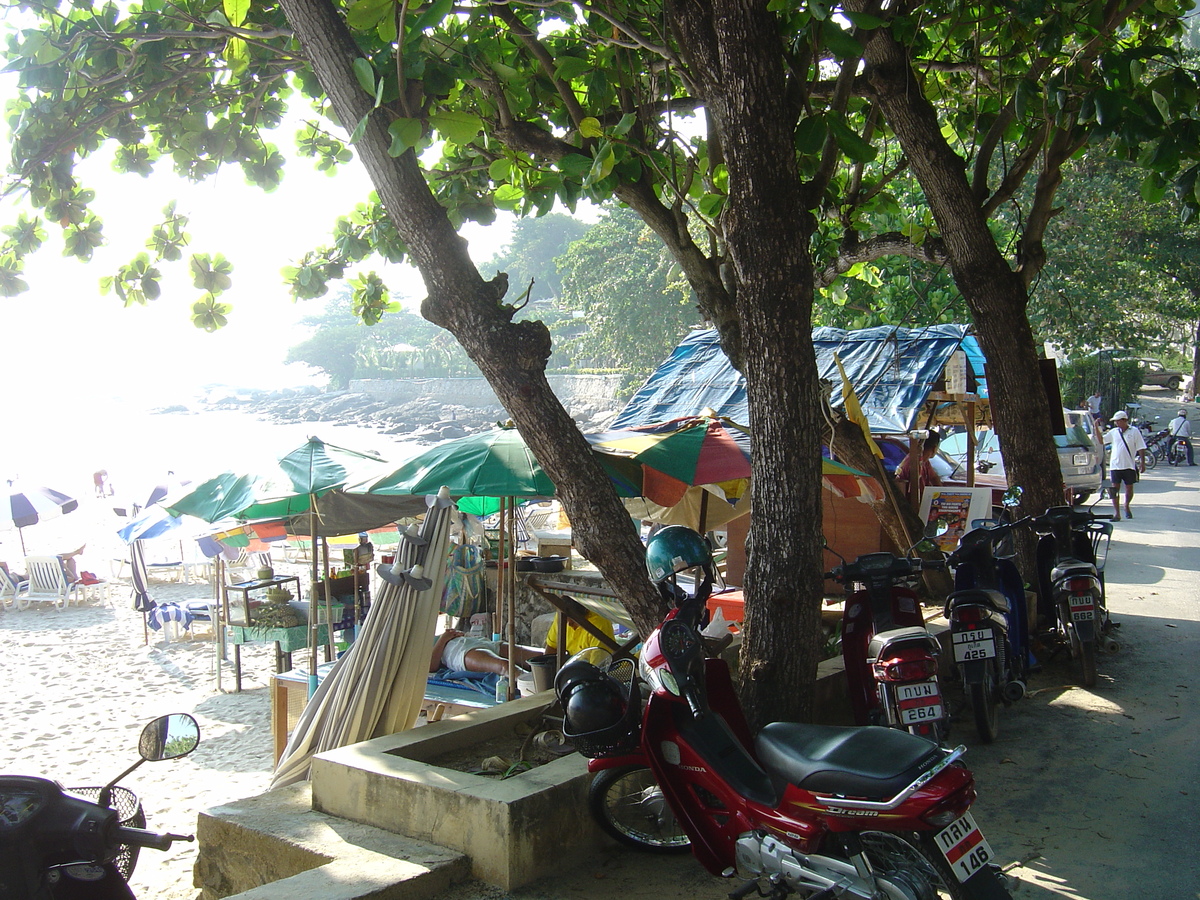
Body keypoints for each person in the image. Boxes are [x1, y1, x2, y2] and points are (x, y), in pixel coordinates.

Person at [429, 628, 545, 676]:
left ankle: (560, 678)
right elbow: (430, 666)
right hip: (459, 651)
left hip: (477, 641)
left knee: (542, 657)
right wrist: (443, 639)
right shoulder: (414, 647)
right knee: (504, 666)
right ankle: (538, 691)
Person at [1105, 411, 1147, 520]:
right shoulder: (1114, 432)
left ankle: (1126, 505)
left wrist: (1142, 463)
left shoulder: (1134, 431)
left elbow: (1141, 447)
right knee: (1114, 490)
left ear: (1124, 420)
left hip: (1129, 465)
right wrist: (1096, 428)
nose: (1117, 423)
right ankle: (1117, 513)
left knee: (1129, 488)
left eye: (1118, 421)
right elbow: (1102, 440)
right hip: (1115, 465)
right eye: (1115, 421)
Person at [895, 431, 943, 496]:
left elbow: (934, 477)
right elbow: (917, 492)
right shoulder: (915, 462)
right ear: (934, 448)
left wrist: (941, 494)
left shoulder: (924, 461)